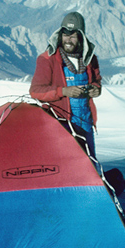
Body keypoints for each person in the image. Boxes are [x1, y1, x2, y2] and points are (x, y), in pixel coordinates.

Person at [29, 11, 102, 159]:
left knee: (89, 164)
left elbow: (97, 80)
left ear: (81, 37)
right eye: (65, 34)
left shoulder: (89, 59)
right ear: (60, 35)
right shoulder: (47, 59)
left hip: (85, 124)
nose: (68, 39)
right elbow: (35, 92)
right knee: (68, 164)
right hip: (62, 125)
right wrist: (63, 91)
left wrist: (96, 89)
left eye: (73, 35)